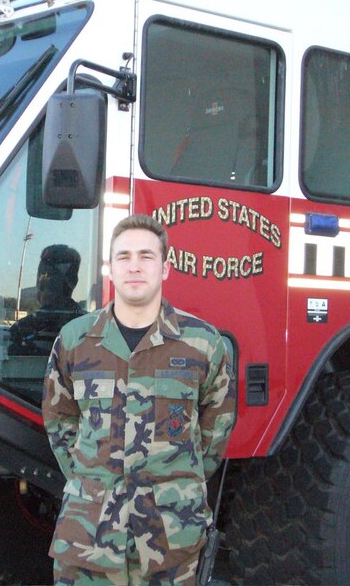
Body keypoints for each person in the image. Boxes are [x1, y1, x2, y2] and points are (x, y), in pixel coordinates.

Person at [42, 214, 237, 585]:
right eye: (124, 256)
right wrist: (96, 480)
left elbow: (215, 431)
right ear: (109, 268)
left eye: (146, 256)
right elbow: (59, 420)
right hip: (89, 541)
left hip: (171, 541)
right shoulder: (74, 340)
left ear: (165, 268)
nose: (134, 266)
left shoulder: (202, 343)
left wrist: (174, 481)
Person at [9, 244, 86, 356]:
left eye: (42, 277)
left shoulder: (20, 331)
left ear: (39, 283)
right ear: (74, 281)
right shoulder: (94, 329)